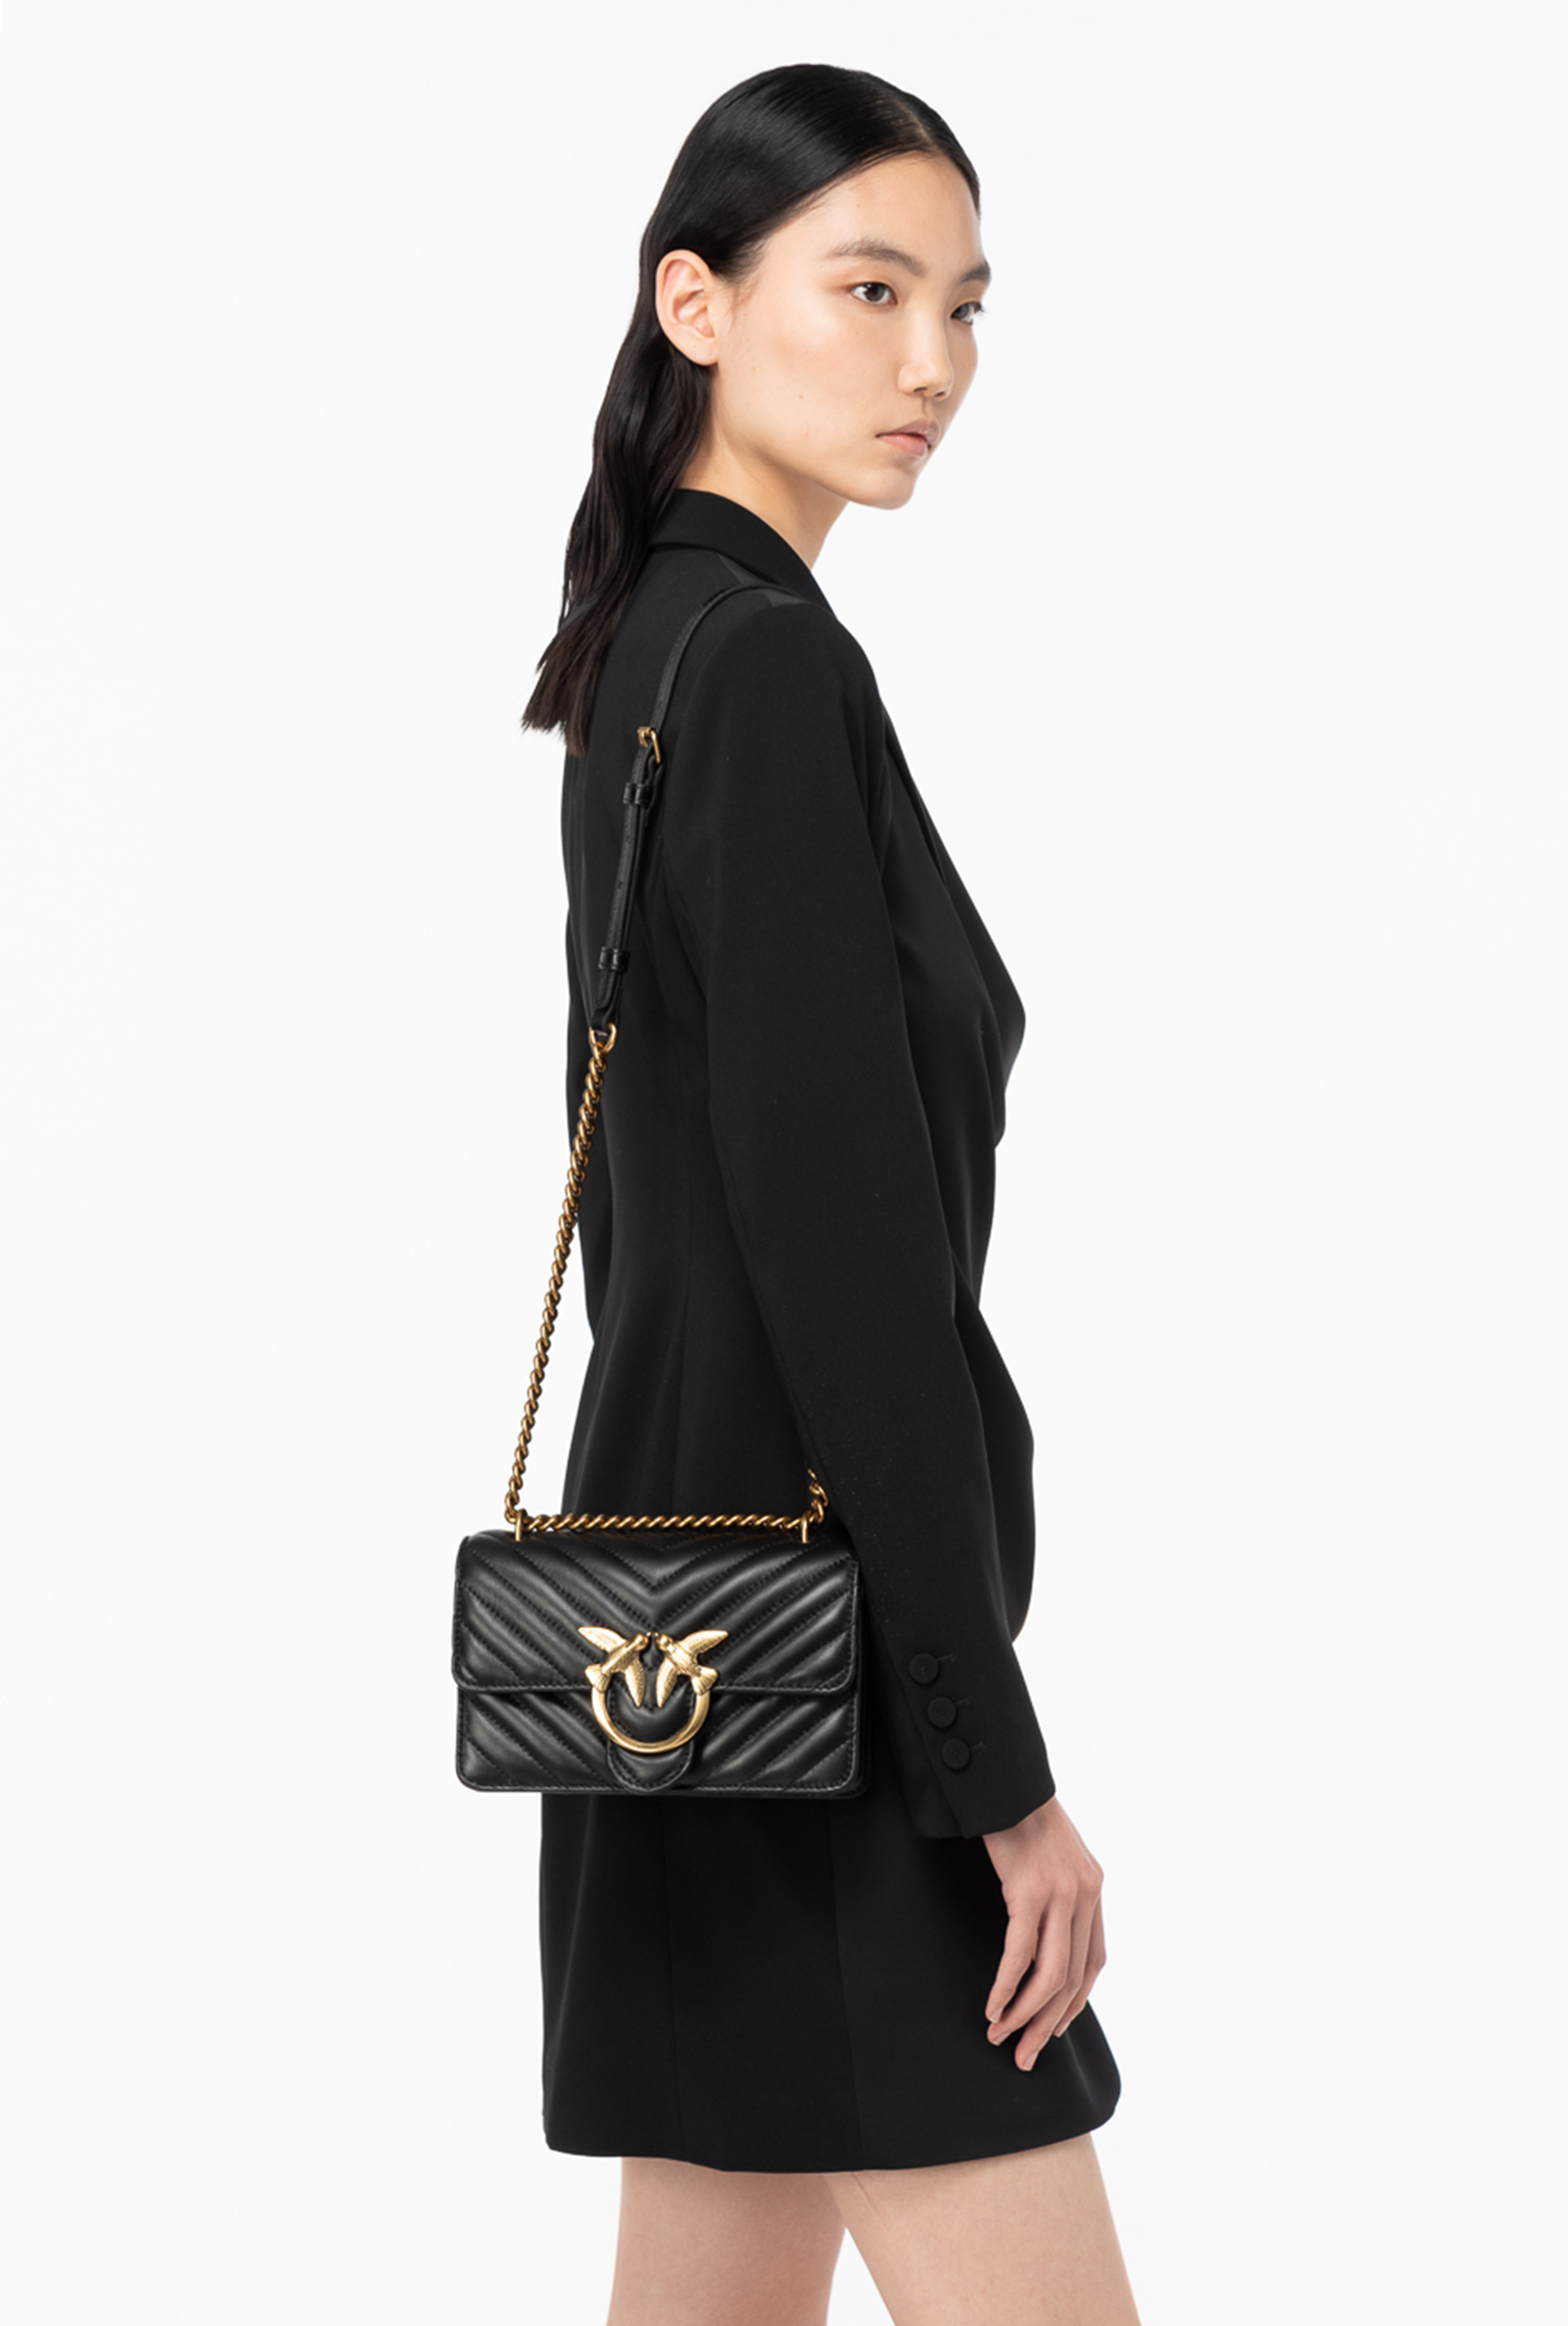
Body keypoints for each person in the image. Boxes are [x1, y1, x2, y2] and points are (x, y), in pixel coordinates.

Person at [519, 61, 1142, 2326]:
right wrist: (994, 1777)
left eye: (961, 306)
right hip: (827, 1676)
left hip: (666, 1650)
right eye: (866, 291)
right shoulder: (766, 663)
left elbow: (683, 1224)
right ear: (693, 303)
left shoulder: (645, 649)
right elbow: (840, 1259)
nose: (928, 363)